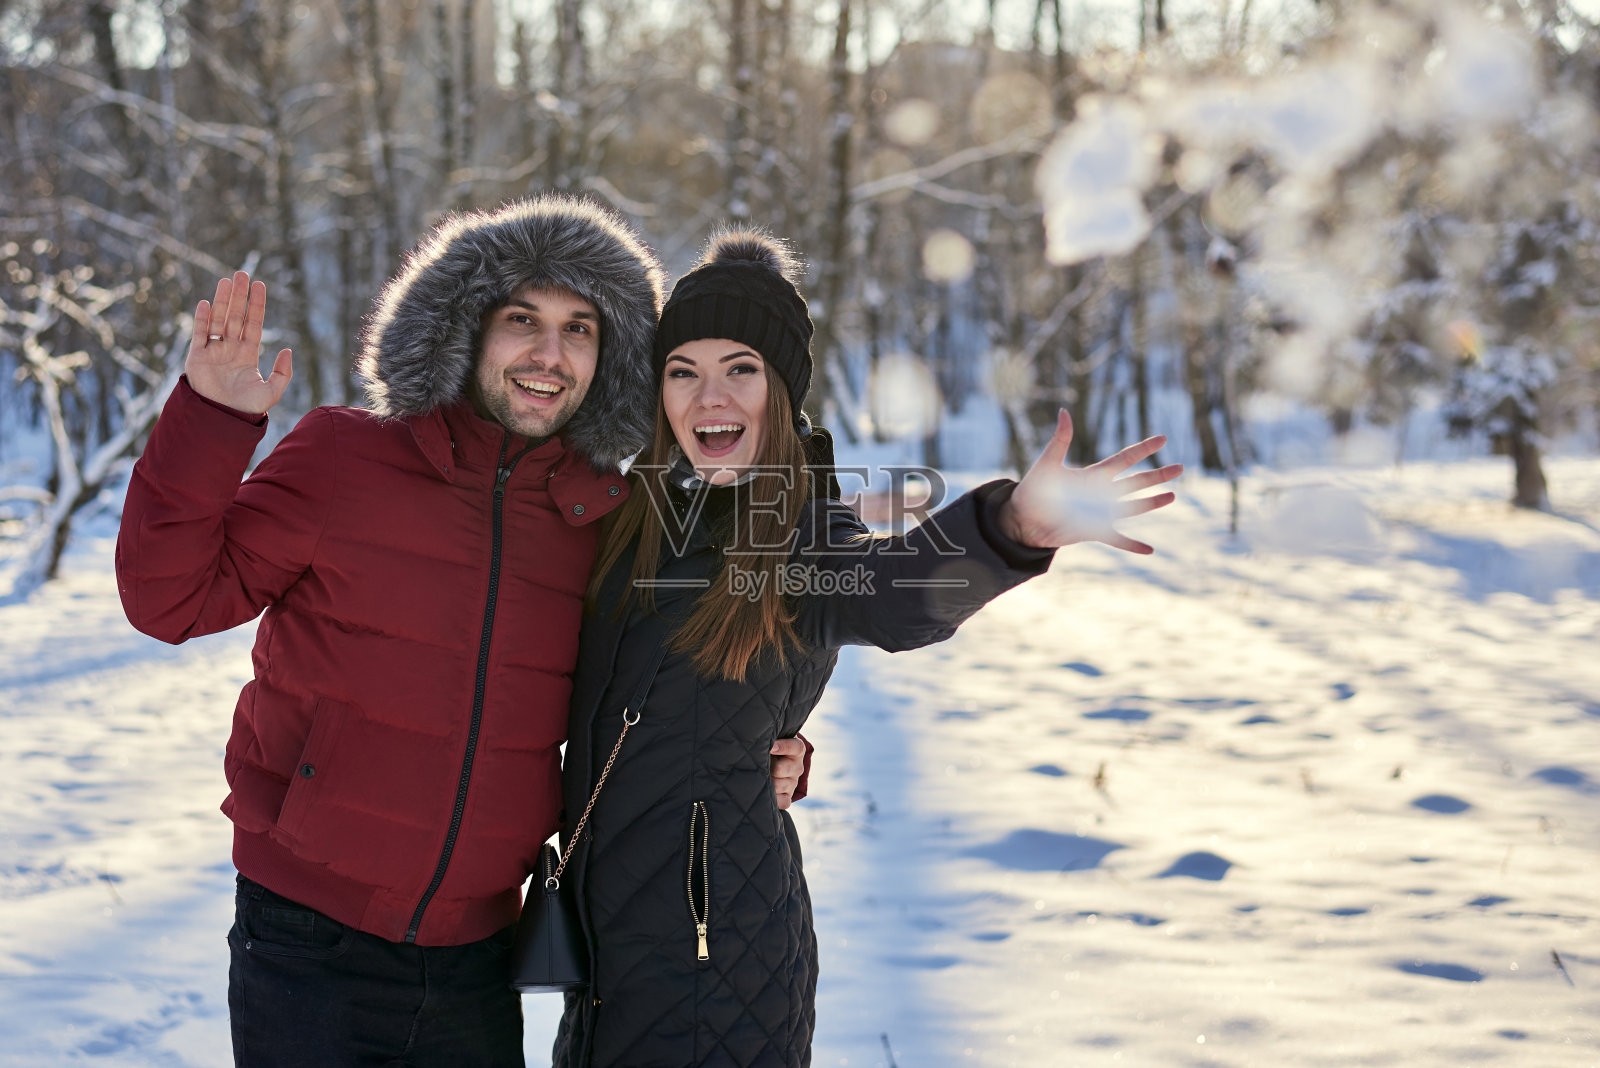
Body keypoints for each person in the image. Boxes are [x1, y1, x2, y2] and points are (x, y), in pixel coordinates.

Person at [115, 196, 808, 1068]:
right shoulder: (344, 458)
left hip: (482, 952)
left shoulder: (608, 518)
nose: (549, 356)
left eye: (580, 329)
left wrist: (773, 748)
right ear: (462, 326)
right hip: (307, 940)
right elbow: (168, 602)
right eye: (523, 319)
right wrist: (211, 420)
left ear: (611, 357)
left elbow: (665, 687)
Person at [551, 231, 1183, 1067]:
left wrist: (1007, 531)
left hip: (718, 957)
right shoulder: (630, 516)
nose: (711, 396)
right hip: (604, 954)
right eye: (684, 370)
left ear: (781, 391)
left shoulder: (803, 527)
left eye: (741, 368)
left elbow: (893, 597)